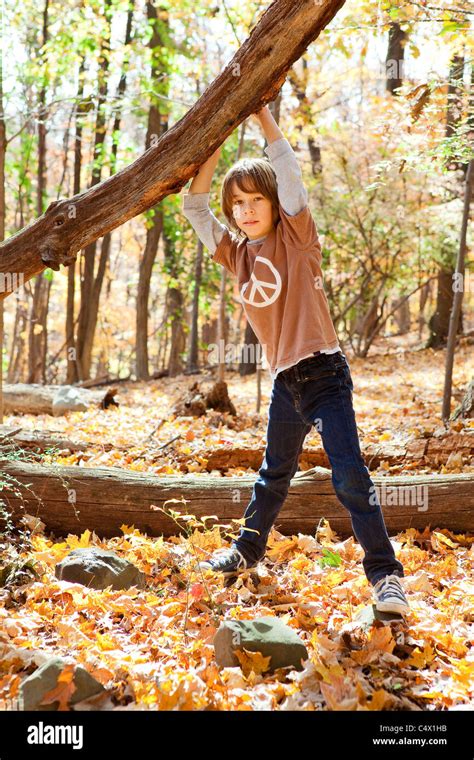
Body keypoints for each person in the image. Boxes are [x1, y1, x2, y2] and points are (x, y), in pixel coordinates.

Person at [181, 105, 409, 615]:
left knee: (350, 476)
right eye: (236, 204)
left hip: (324, 373)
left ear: (274, 202)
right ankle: (246, 551)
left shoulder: (297, 238)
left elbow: (287, 171)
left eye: (255, 199)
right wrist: (215, 139)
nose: (244, 211)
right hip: (286, 382)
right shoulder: (236, 254)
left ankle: (386, 577)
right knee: (273, 473)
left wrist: (259, 115)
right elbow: (194, 206)